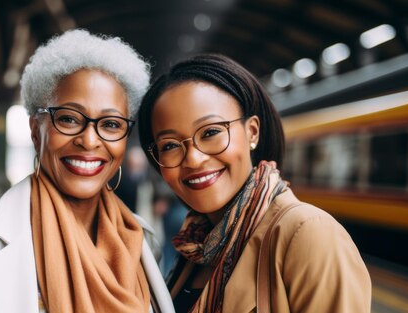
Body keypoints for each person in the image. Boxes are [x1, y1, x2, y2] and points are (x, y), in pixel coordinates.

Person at [0, 29, 175, 313]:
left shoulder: (140, 239)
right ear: (36, 131)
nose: (89, 140)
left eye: (110, 124)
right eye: (69, 119)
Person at [138, 54, 371, 312]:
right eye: (169, 145)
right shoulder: (197, 246)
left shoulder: (307, 234)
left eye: (211, 132)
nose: (193, 159)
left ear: (252, 132)